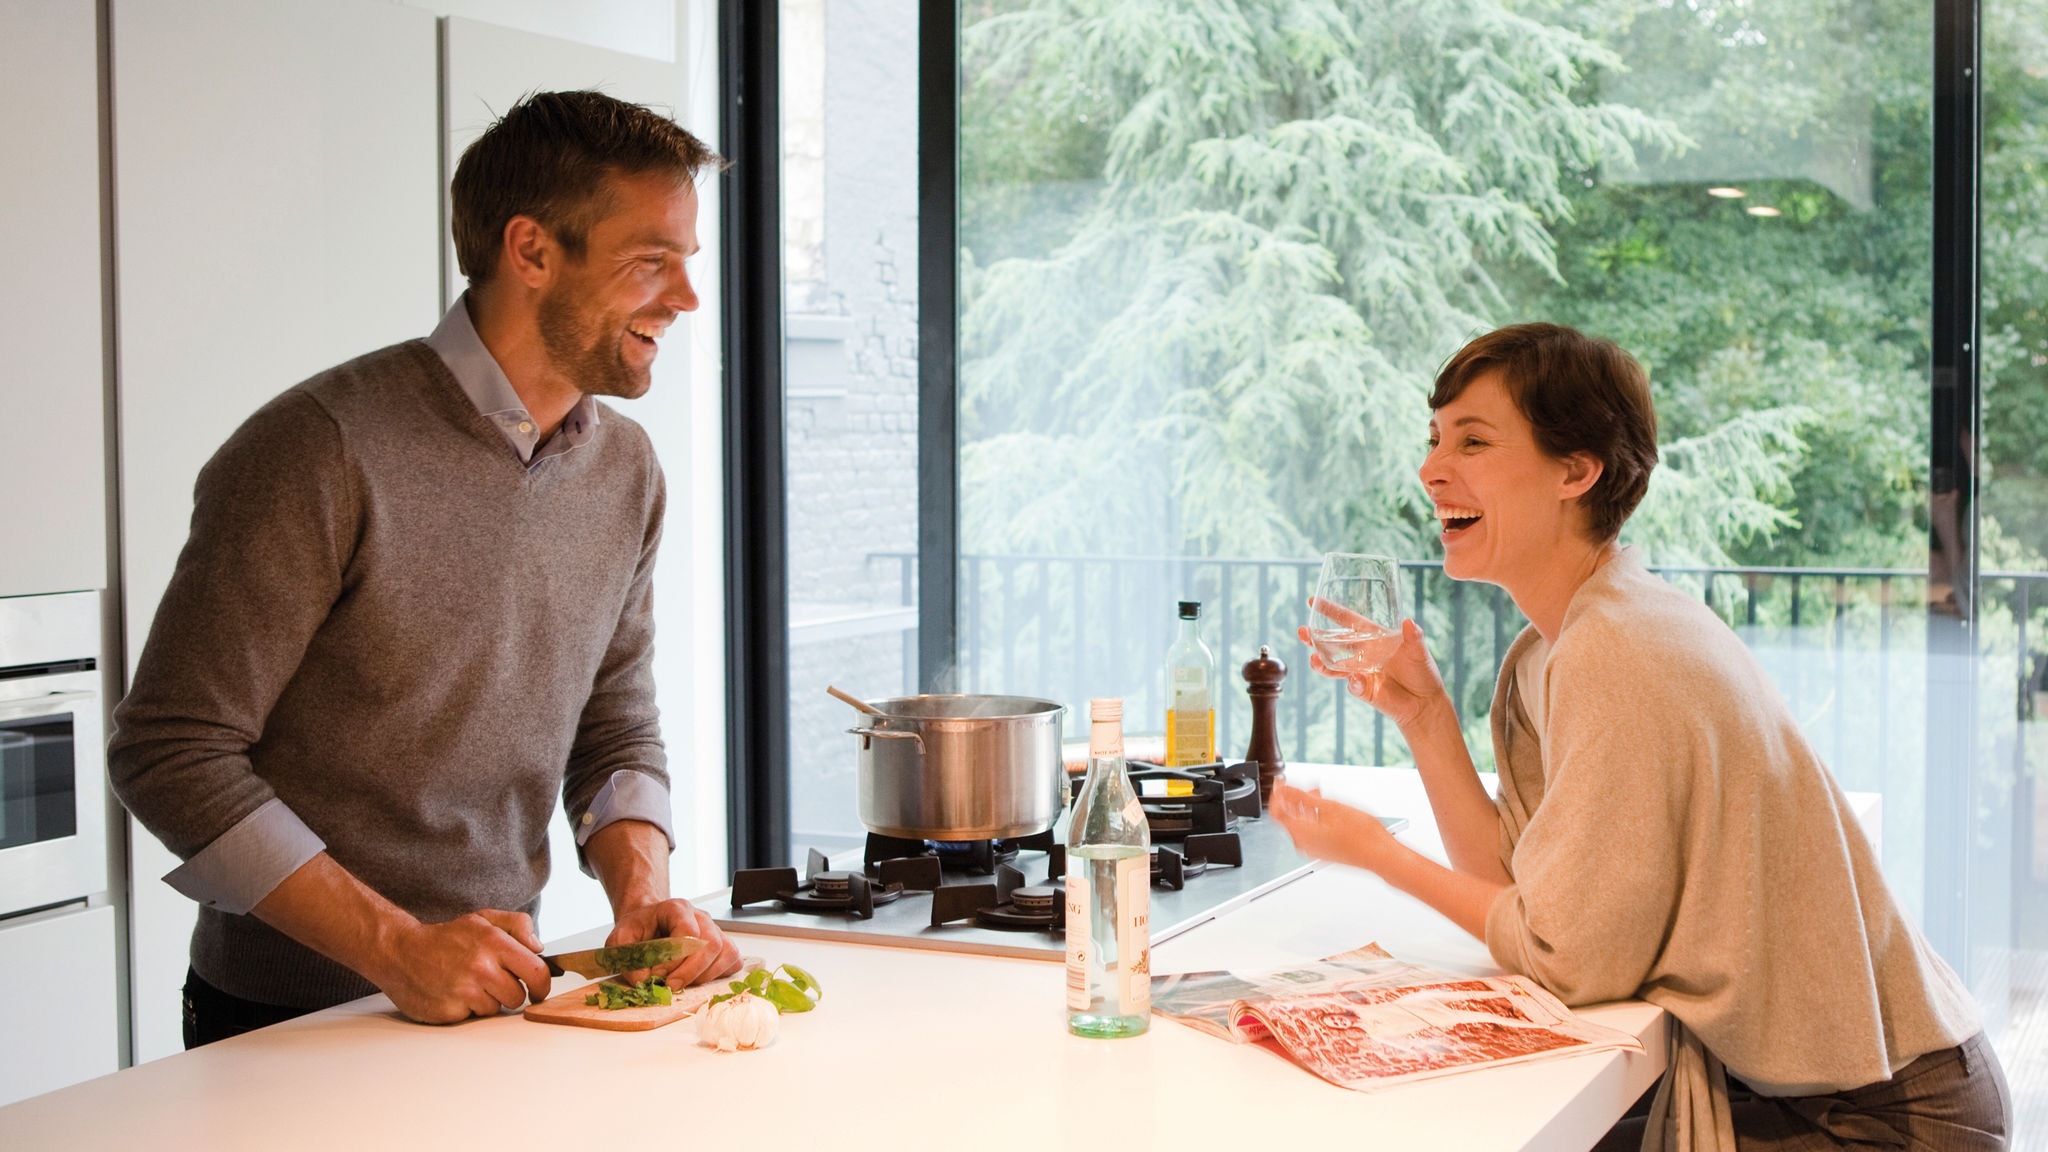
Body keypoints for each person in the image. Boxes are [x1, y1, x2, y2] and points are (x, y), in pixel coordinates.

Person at [1268, 323, 2009, 1150]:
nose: (1432, 469)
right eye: (1435, 439)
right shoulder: (1562, 642)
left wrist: (1377, 852)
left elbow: (1564, 961)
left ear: (1576, 471)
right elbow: (1523, 893)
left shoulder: (1614, 649)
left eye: (1473, 441)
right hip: (1843, 1093)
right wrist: (1426, 717)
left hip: (1883, 1121)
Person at [109, 90, 743, 1046]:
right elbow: (169, 752)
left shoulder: (625, 469)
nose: (686, 298)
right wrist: (397, 948)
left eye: (685, 263)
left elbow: (614, 725)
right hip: (295, 1024)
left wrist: (641, 893)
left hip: (506, 994)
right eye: (649, 261)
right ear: (530, 251)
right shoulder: (319, 448)